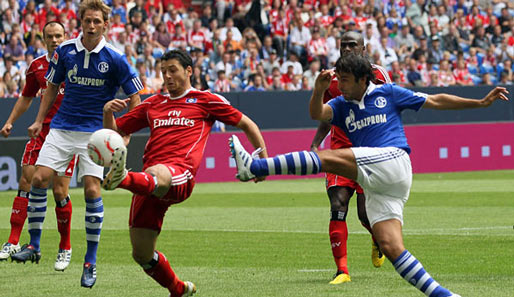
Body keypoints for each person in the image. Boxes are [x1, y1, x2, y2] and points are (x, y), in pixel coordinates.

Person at [230, 53, 509, 297]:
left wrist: (480, 103)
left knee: (328, 158)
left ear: (364, 79)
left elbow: (435, 100)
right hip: (379, 185)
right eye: (338, 78)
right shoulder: (340, 104)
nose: (340, 84)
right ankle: (444, 294)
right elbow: (317, 113)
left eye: (346, 79)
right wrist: (318, 90)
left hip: (394, 161)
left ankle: (255, 168)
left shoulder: (388, 93)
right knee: (390, 245)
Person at [100, 49, 267, 297]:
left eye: (172, 70)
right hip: (147, 184)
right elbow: (112, 135)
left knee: (158, 172)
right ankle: (178, 289)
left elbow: (246, 123)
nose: (167, 76)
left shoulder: (206, 100)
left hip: (179, 175)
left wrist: (262, 159)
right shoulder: (153, 104)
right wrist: (107, 113)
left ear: (189, 71)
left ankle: (121, 178)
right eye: (163, 72)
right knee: (142, 254)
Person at [11, 0, 142, 288]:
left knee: (93, 189)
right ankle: (33, 246)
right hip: (60, 129)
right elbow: (52, 88)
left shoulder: (116, 57)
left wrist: (126, 133)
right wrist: (38, 120)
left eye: (97, 21)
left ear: (106, 24)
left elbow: (136, 95)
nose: (92, 26)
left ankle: (90, 261)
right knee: (39, 179)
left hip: (94, 135)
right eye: (87, 21)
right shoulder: (65, 52)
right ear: (80, 22)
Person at [309, 31, 391, 285]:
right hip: (339, 152)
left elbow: (390, 107)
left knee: (366, 215)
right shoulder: (331, 79)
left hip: (369, 152)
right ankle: (342, 271)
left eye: (352, 45)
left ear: (364, 48)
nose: (347, 49)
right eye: (343, 45)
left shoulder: (378, 74)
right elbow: (327, 115)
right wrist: (315, 143)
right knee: (338, 205)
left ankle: (377, 239)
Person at [0, 22, 76, 272]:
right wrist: (11, 121)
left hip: (66, 134)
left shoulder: (76, 63)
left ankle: (65, 246)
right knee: (26, 179)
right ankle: (13, 241)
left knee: (59, 191)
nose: (54, 40)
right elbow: (26, 97)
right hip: (41, 132)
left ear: (65, 37)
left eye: (58, 36)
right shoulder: (37, 66)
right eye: (50, 37)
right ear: (43, 40)